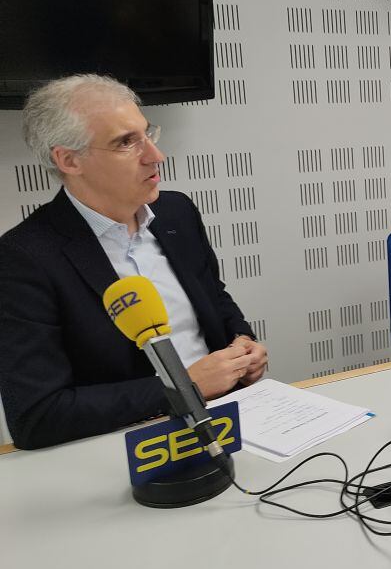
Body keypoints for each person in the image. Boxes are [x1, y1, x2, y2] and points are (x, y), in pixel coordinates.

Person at [0, 75, 268, 448]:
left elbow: (215, 298)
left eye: (147, 134)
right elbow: (37, 417)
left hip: (230, 417)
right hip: (129, 443)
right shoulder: (24, 258)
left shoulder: (176, 213)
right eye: (126, 142)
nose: (155, 156)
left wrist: (243, 342)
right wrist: (182, 387)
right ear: (69, 159)